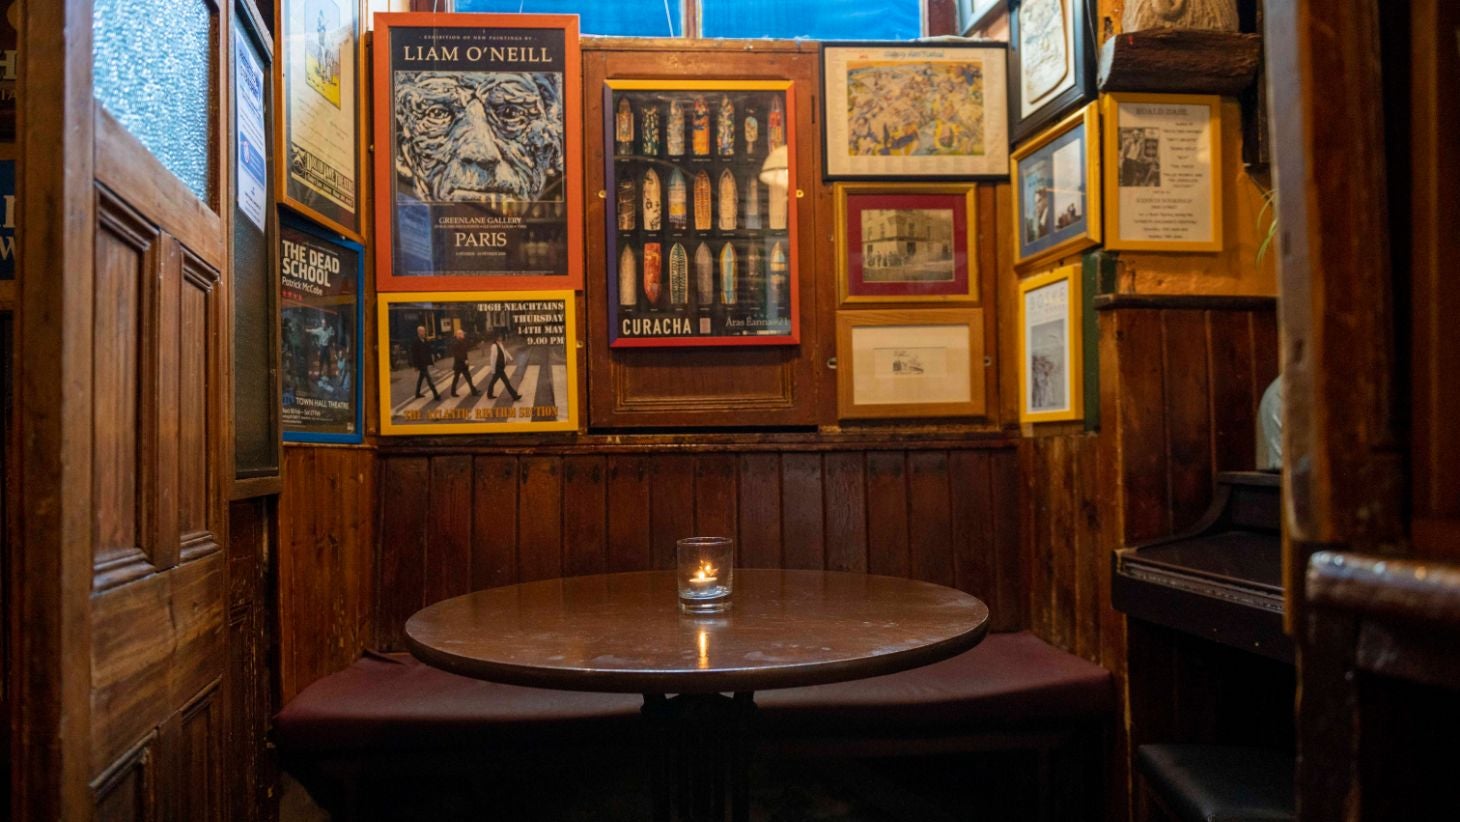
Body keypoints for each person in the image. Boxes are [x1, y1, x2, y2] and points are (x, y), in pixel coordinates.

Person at [484, 332, 522, 402]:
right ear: (496, 338)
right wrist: (493, 370)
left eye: (501, 336)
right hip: (498, 368)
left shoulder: (500, 344)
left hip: (501, 367)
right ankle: (514, 396)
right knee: (506, 382)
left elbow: (504, 352)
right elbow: (493, 358)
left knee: (493, 381)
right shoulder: (494, 346)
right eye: (500, 337)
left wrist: (510, 357)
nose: (501, 338)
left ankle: (489, 394)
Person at [410, 325, 440, 401]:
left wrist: (435, 355)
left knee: (421, 378)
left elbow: (429, 350)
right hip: (420, 364)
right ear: (419, 332)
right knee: (429, 379)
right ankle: (435, 394)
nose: (424, 332)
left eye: (424, 331)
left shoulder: (425, 340)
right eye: (422, 331)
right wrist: (415, 366)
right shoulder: (415, 342)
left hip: (425, 362)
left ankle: (417, 393)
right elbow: (414, 355)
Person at [449, 327, 481, 397]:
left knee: (468, 378)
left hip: (463, 364)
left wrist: (466, 360)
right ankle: (453, 392)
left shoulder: (462, 341)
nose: (463, 334)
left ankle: (473, 391)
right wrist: (464, 360)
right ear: (457, 335)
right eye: (461, 333)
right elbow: (457, 355)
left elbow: (466, 351)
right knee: (456, 379)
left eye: (463, 333)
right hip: (458, 364)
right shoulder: (455, 343)